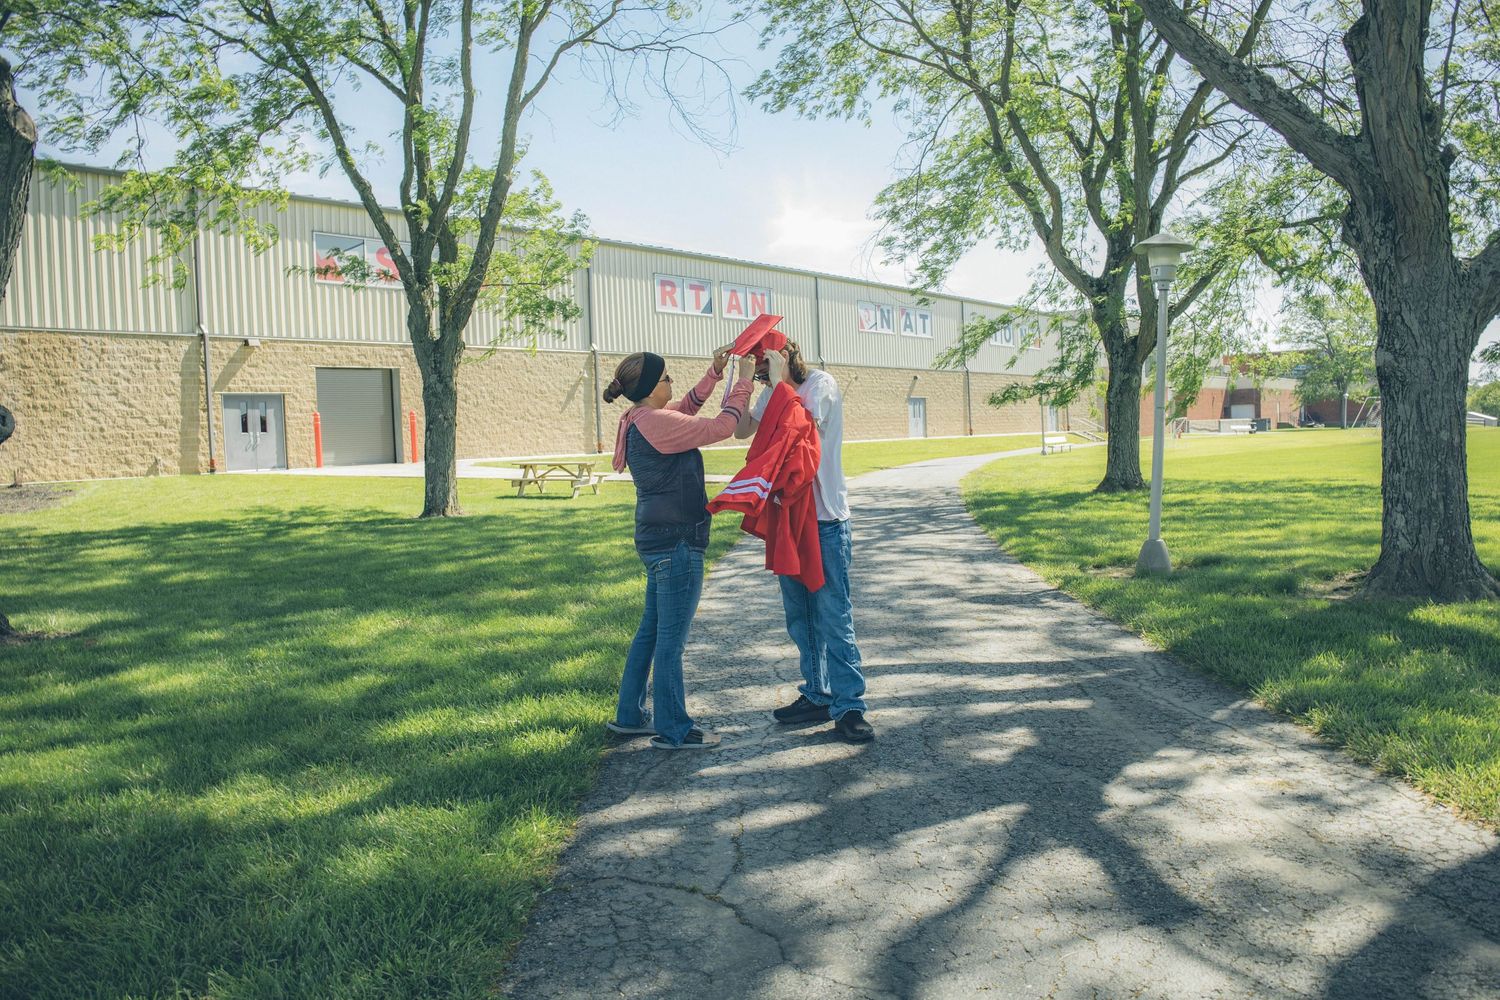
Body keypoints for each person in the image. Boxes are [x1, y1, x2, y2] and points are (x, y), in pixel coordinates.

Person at [604, 346, 754, 750]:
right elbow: (721, 428)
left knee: (651, 634)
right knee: (671, 641)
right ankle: (674, 730)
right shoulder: (656, 421)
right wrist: (744, 380)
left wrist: (714, 373)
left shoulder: (642, 417)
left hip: (658, 540)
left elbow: (684, 411)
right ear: (653, 388)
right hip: (677, 543)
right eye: (667, 377)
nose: (672, 382)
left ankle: (630, 716)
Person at [735, 341, 873, 742]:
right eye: (758, 371)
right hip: (789, 519)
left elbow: (798, 429)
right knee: (801, 618)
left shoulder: (821, 385)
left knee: (833, 615)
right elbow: (743, 430)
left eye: (764, 367)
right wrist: (740, 384)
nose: (763, 376)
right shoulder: (771, 390)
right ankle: (817, 692)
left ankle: (849, 706)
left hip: (825, 520)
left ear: (783, 357)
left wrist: (777, 384)